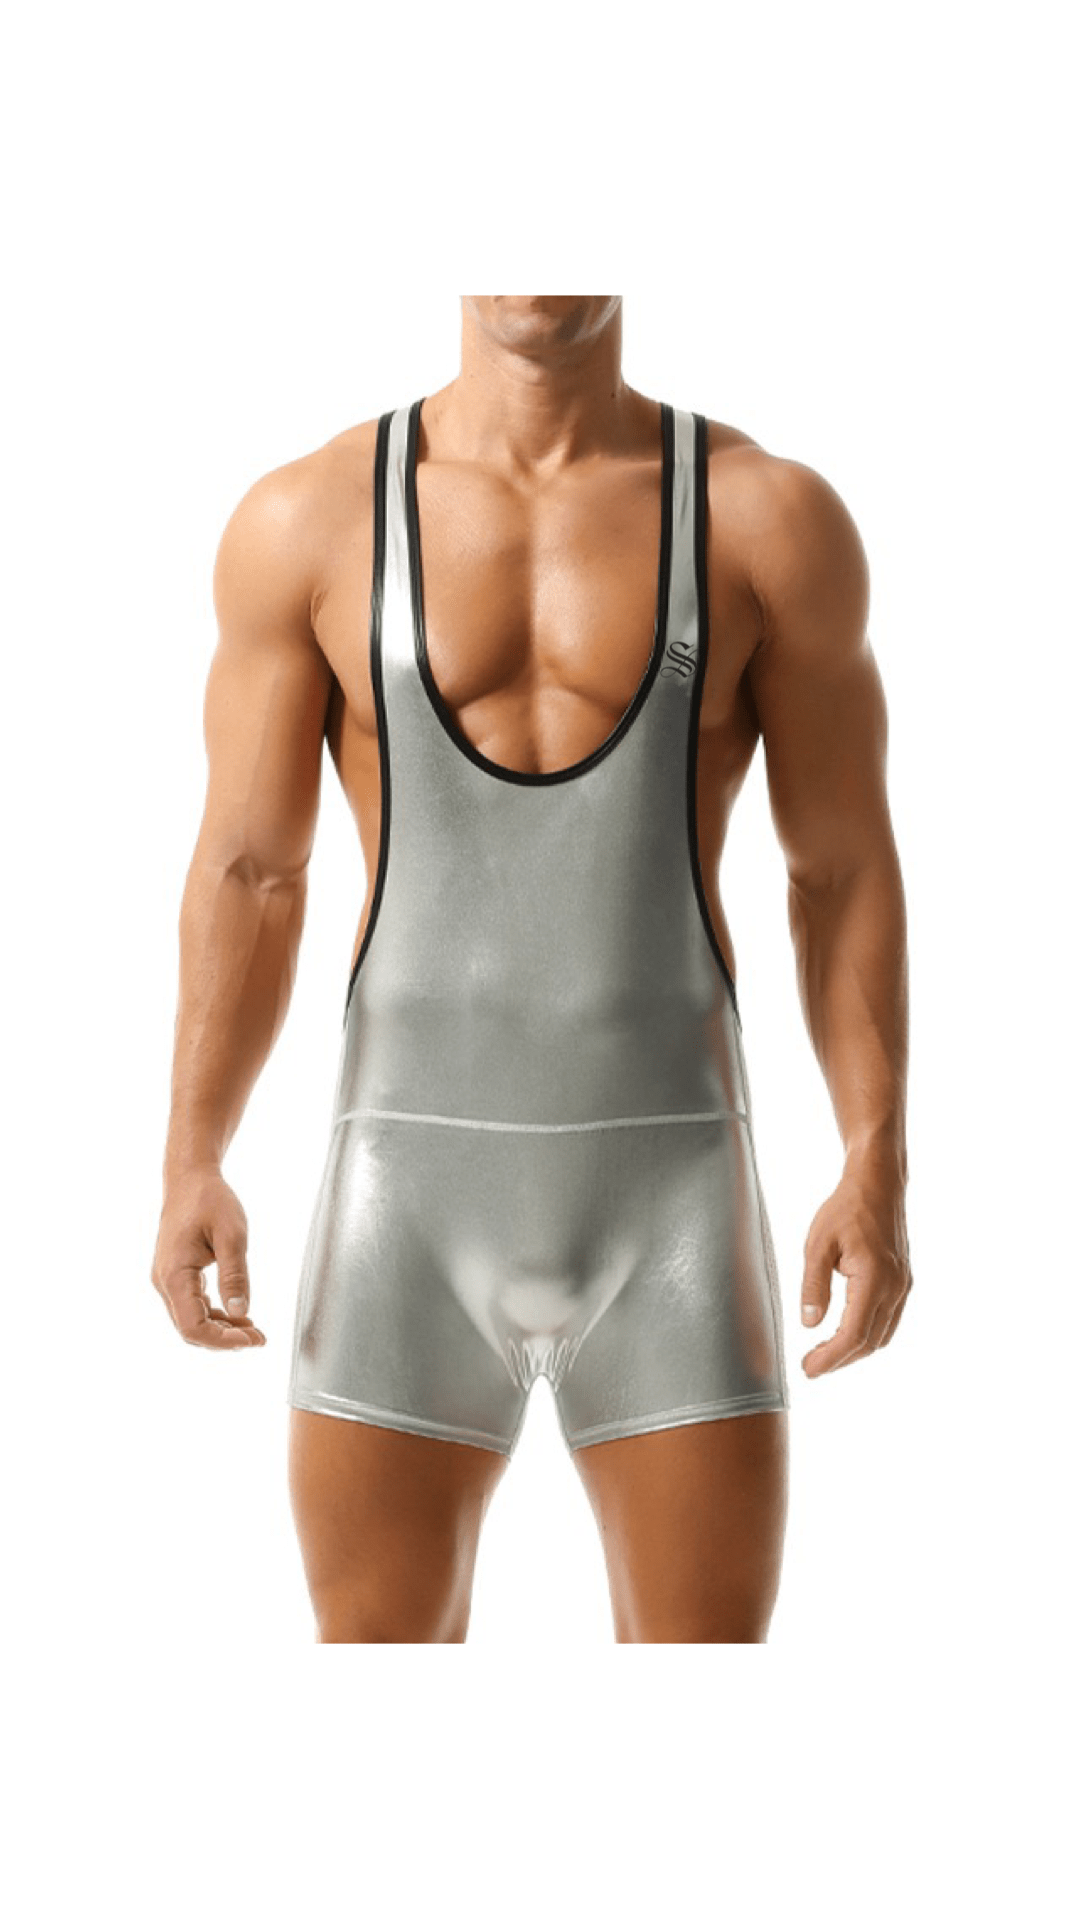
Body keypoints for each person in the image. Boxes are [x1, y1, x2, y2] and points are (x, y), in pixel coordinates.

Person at [151, 295, 913, 1643]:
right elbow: (253, 871)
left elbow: (840, 867)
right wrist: (190, 1158)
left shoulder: (765, 519)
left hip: (675, 1205)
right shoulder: (309, 520)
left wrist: (876, 1158)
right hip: (403, 1203)